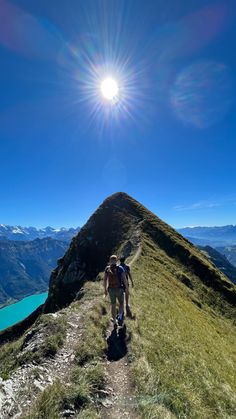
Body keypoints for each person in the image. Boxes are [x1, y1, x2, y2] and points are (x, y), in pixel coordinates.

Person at [104, 254, 128, 327]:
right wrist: (126, 288)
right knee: (121, 303)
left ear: (110, 261)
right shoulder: (120, 268)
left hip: (111, 290)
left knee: (113, 305)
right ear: (117, 261)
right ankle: (120, 316)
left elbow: (104, 280)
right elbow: (124, 279)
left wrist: (105, 290)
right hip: (119, 289)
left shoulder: (107, 269)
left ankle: (114, 321)